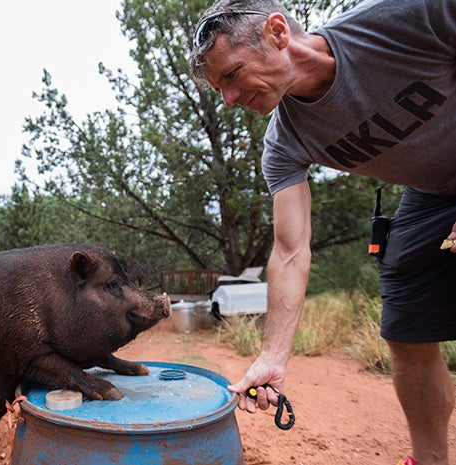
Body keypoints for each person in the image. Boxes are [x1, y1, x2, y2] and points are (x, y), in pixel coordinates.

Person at [188, 0, 456, 464]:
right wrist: (273, 356)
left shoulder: (408, 16)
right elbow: (291, 251)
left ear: (276, 33)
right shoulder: (284, 144)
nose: (228, 100)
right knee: (405, 318)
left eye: (230, 76)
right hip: (432, 191)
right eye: (219, 89)